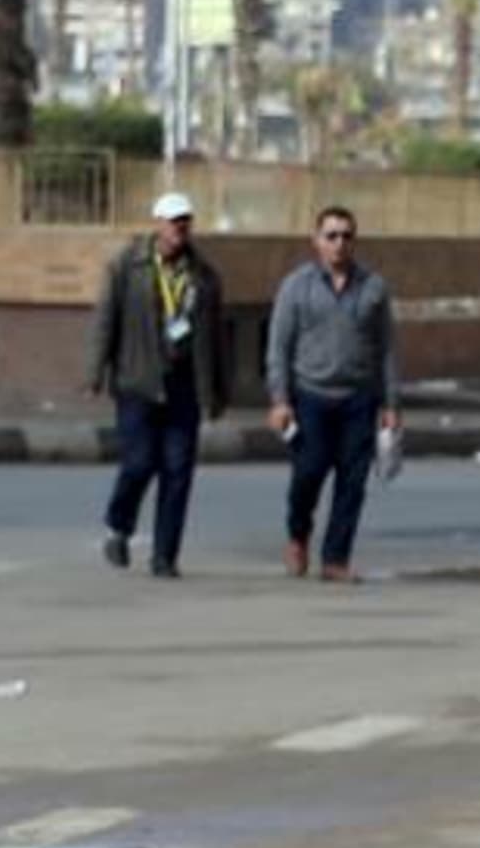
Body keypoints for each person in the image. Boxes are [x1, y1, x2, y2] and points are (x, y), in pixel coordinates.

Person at [86, 192, 230, 579]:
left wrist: (218, 390)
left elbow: (217, 338)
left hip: (184, 386)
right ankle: (119, 526)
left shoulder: (204, 276)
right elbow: (105, 320)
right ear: (157, 224)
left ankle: (165, 555)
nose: (179, 227)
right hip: (138, 380)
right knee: (139, 462)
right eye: (172, 220)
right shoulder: (126, 266)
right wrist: (94, 372)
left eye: (185, 220)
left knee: (178, 470)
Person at [265, 206, 401, 583]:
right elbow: (279, 347)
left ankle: (335, 558)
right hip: (311, 396)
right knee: (308, 474)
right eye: (331, 235)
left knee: (352, 483)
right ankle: (298, 535)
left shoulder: (373, 288)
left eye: (346, 236)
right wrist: (280, 399)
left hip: (359, 399)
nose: (339, 243)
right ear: (317, 241)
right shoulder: (297, 287)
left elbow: (386, 348)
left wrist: (391, 404)